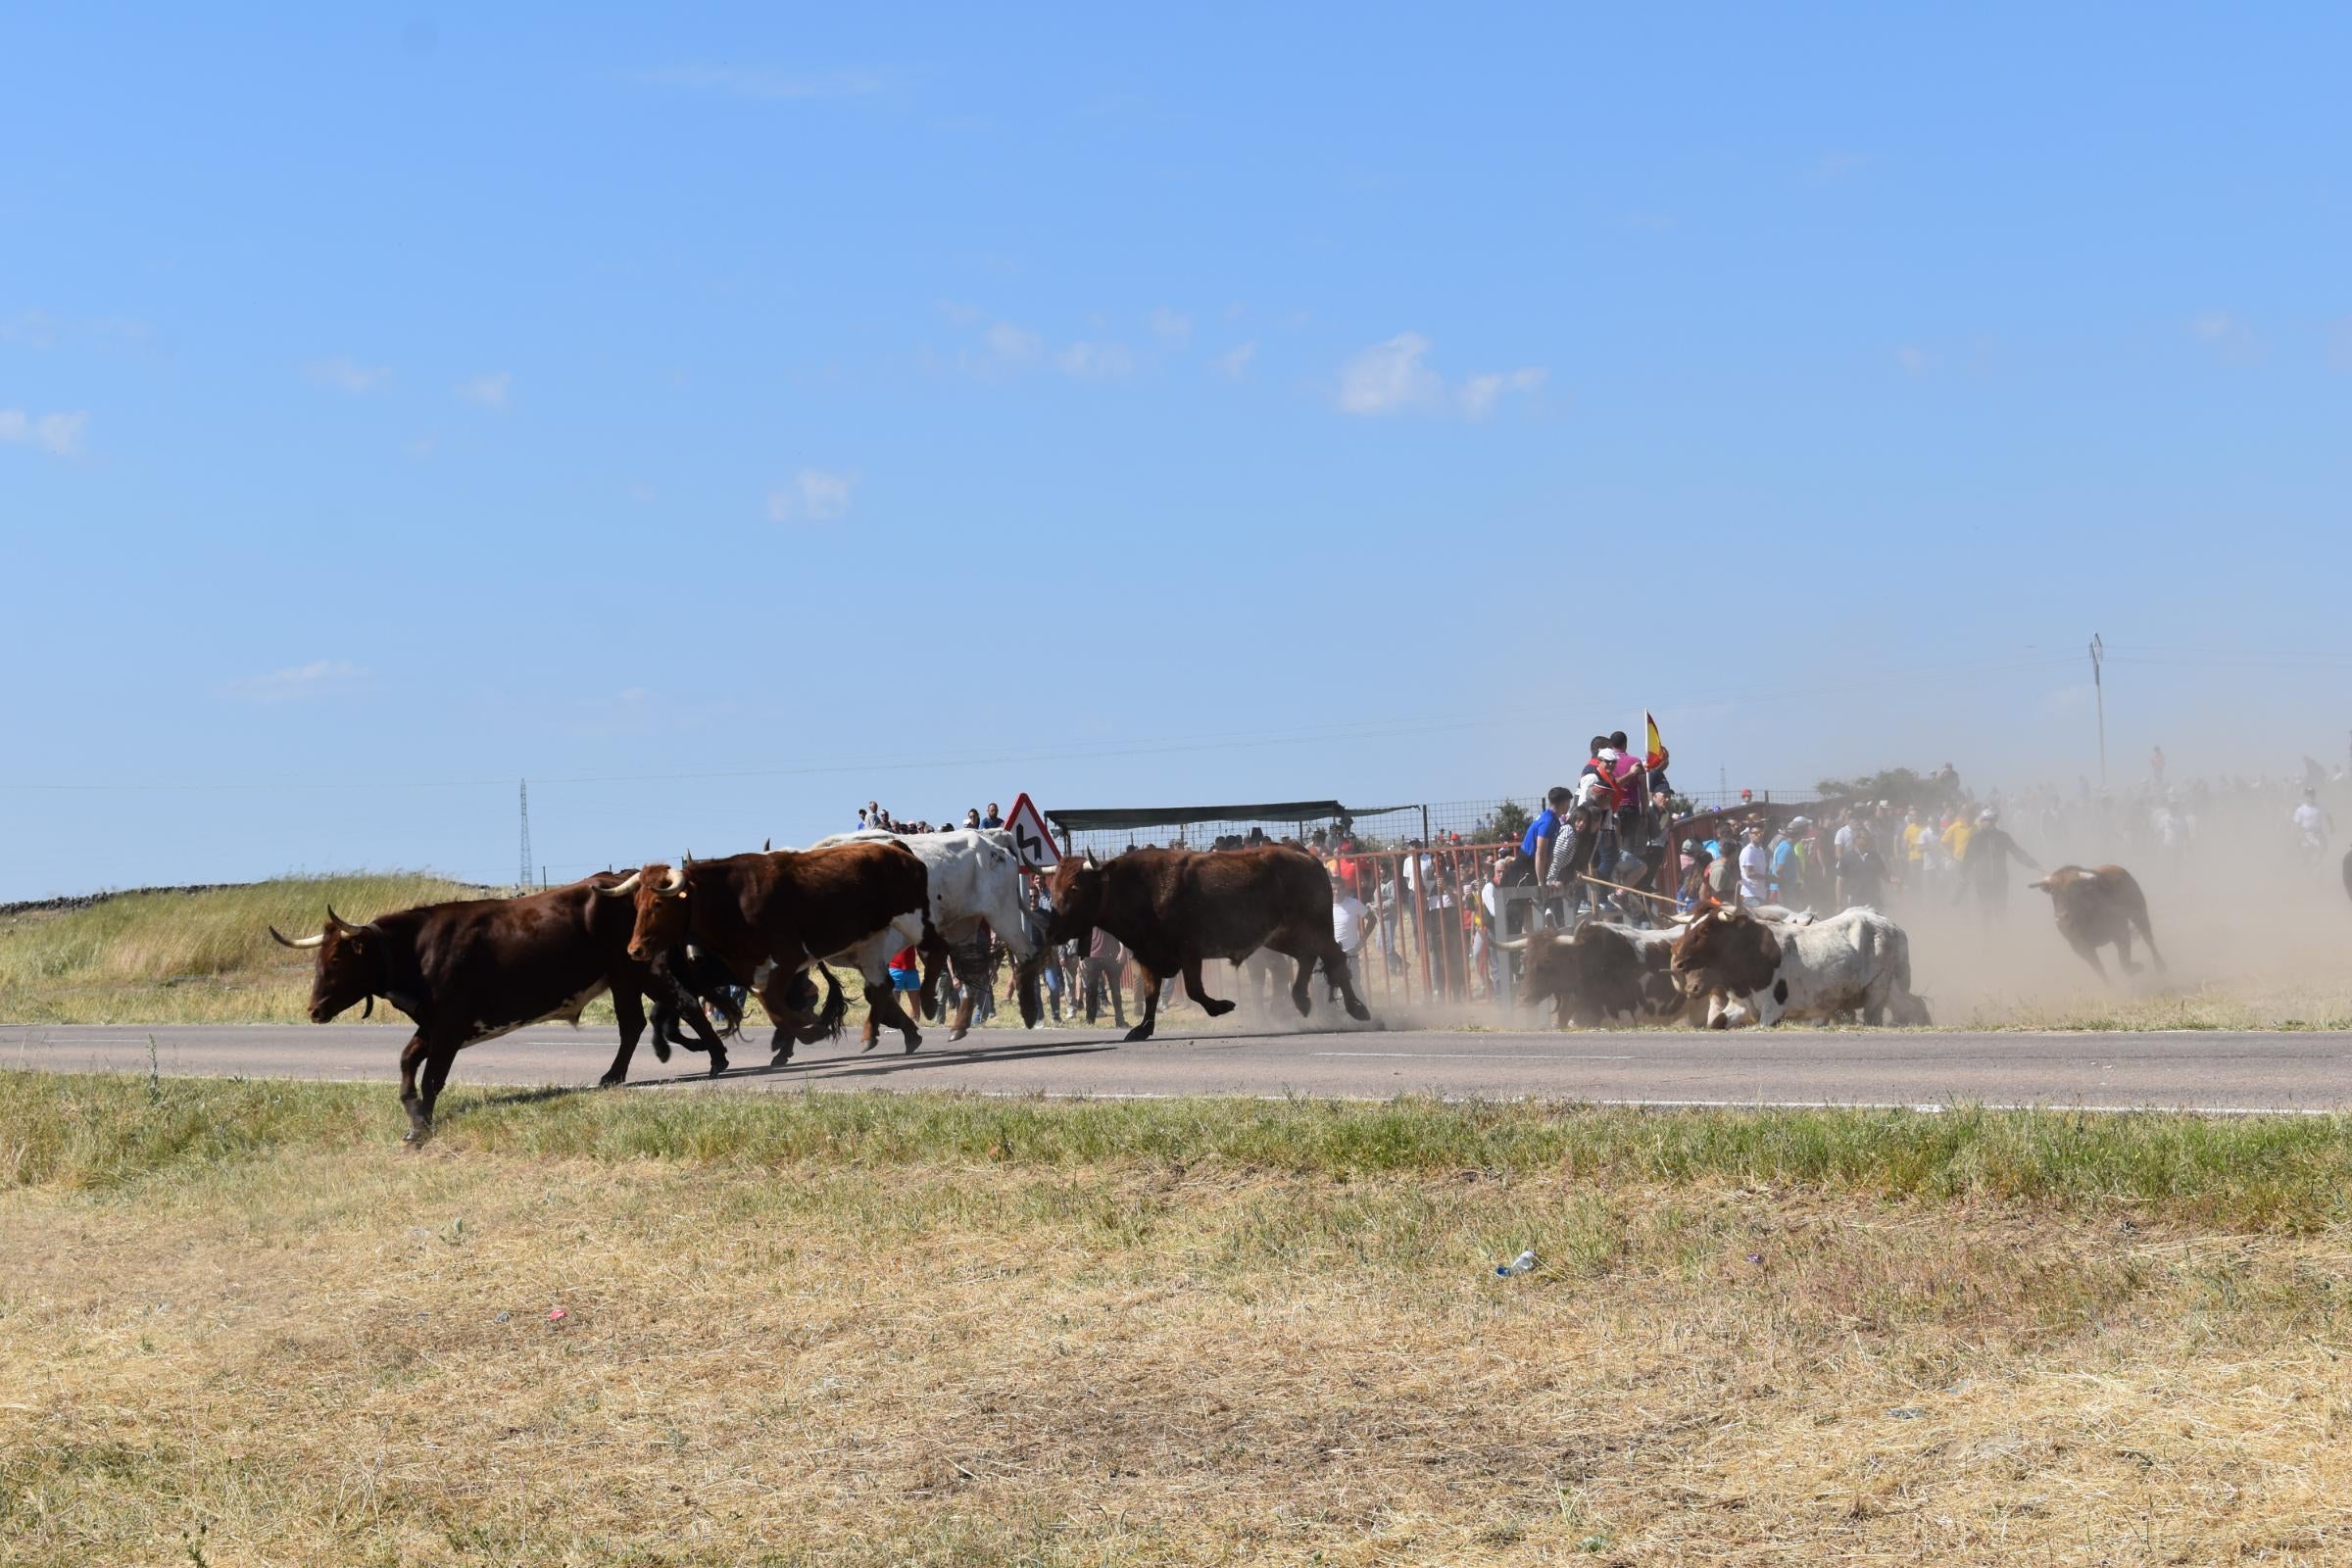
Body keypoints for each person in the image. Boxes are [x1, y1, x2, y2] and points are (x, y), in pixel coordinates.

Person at [1953, 808, 2040, 918]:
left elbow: (2017, 852)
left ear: (1995, 821)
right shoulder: (1975, 839)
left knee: (2001, 910)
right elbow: (1968, 859)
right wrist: (1962, 873)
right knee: (1986, 911)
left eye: (1992, 820)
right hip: (1982, 881)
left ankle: (2002, 934)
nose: (1989, 822)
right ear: (1981, 821)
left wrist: (2034, 864)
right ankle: (1987, 935)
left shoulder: (2003, 837)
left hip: (2001, 879)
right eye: (1986, 820)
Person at [1332, 873, 1372, 1002]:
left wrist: (1363, 939)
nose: (1336, 892)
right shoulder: (1325, 905)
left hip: (1350, 951)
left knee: (1354, 985)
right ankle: (1334, 1016)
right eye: (1333, 889)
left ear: (1344, 889)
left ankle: (1364, 1015)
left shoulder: (1354, 904)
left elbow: (1372, 919)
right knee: (1331, 986)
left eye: (1339, 888)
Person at [1522, 785, 1573, 884]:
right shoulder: (1548, 821)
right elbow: (1540, 853)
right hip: (1526, 864)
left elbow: (1549, 853)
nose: (1569, 806)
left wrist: (1546, 878)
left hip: (1534, 864)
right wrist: (1541, 882)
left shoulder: (1554, 820)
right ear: (1562, 803)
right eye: (1568, 803)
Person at [1081, 926, 1127, 1027]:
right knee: (1091, 990)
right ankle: (1090, 1020)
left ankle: (1120, 1021)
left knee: (1116, 990)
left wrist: (1123, 950)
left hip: (1112, 955)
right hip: (1092, 956)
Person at [1837, 825, 1889, 910]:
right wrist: (1839, 903)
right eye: (1864, 838)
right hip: (1856, 901)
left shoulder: (1874, 856)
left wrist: (1894, 880)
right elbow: (1840, 882)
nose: (1867, 840)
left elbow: (1884, 874)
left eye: (1868, 838)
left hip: (1874, 899)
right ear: (1856, 839)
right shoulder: (1846, 858)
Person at [1737, 824, 1770, 907]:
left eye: (1760, 833)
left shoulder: (1760, 850)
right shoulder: (1748, 851)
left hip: (1760, 894)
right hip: (1750, 896)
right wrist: (1769, 878)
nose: (1758, 835)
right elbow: (1749, 874)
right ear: (1749, 835)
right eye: (1755, 833)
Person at [2293, 788, 2332, 852]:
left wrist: (2331, 827)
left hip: (2318, 833)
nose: (2311, 797)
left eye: (2312, 795)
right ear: (2305, 797)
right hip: (2305, 834)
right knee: (2304, 852)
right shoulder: (2300, 810)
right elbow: (2295, 824)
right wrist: (2300, 835)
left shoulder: (2320, 807)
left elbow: (2328, 816)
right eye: (2309, 795)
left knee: (2323, 847)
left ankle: (2318, 861)